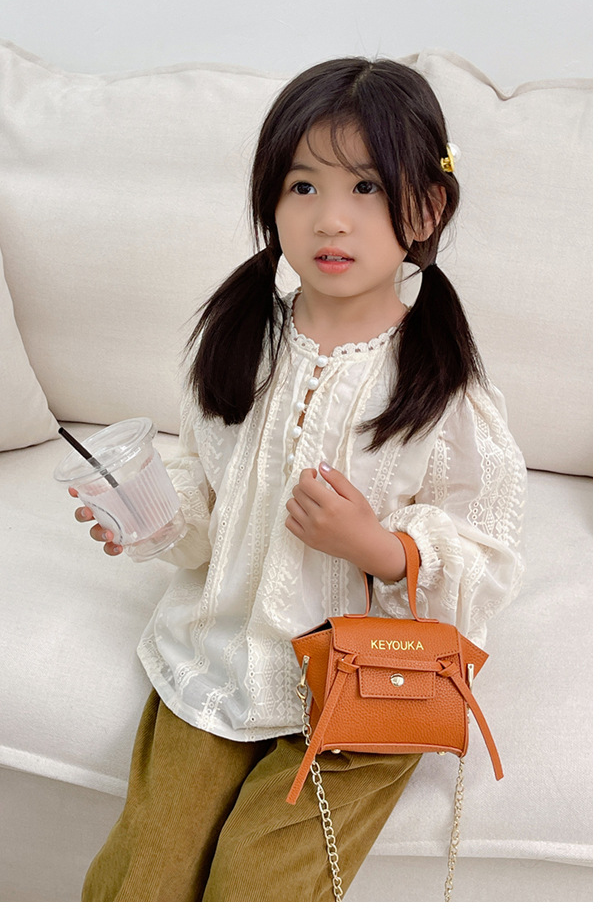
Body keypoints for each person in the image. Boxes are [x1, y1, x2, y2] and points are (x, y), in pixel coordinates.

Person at [74, 58, 526, 902]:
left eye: (365, 186)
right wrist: (150, 516)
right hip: (221, 657)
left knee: (256, 882)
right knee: (143, 876)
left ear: (427, 207)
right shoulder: (240, 342)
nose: (330, 217)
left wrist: (379, 547)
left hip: (366, 692)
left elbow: (488, 554)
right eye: (302, 185)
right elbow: (206, 491)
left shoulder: (440, 386)